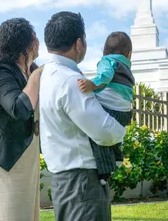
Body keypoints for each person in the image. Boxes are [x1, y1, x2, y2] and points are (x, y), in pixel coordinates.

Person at [39, 11, 126, 221]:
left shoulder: (47, 76)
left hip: (64, 181)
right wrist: (122, 127)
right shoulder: (70, 80)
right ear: (79, 44)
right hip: (83, 183)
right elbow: (105, 132)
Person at [0, 18, 43, 221]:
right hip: (2, 157)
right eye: (35, 37)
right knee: (4, 214)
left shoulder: (29, 70)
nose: (39, 42)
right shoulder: (2, 70)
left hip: (24, 156)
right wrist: (37, 76)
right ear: (26, 43)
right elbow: (18, 108)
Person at [77, 31, 135, 186]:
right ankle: (117, 156)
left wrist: (92, 85)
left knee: (95, 135)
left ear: (103, 53)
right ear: (129, 55)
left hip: (110, 108)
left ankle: (105, 171)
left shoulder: (107, 61)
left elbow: (105, 75)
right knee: (112, 131)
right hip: (124, 113)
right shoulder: (126, 68)